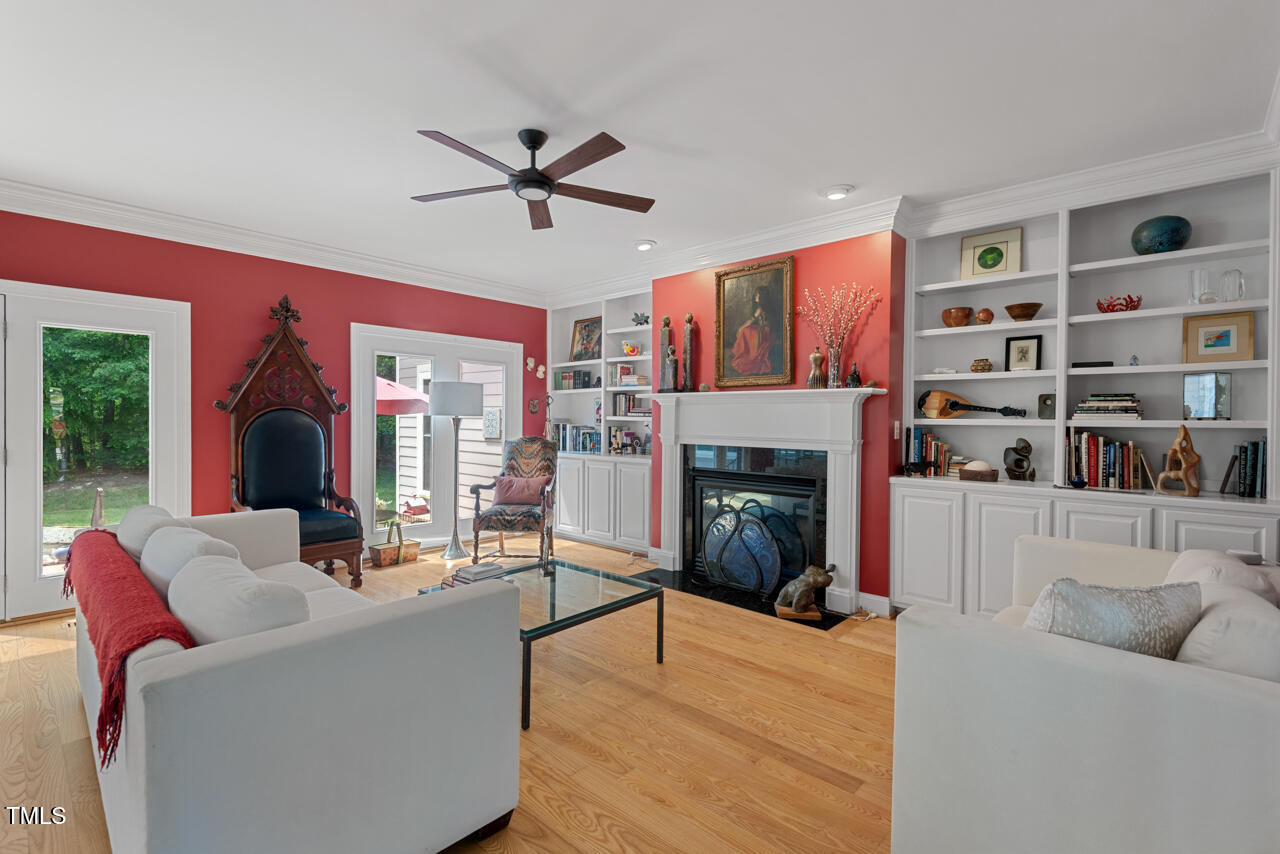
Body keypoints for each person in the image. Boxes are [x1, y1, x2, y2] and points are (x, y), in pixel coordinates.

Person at [730, 289, 774, 375]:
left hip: (765, 331)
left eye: (757, 295)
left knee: (745, 330)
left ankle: (744, 352)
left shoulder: (761, 308)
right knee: (747, 330)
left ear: (762, 297)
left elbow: (751, 320)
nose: (755, 297)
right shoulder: (763, 307)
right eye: (756, 295)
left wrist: (741, 327)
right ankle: (743, 351)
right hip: (764, 329)